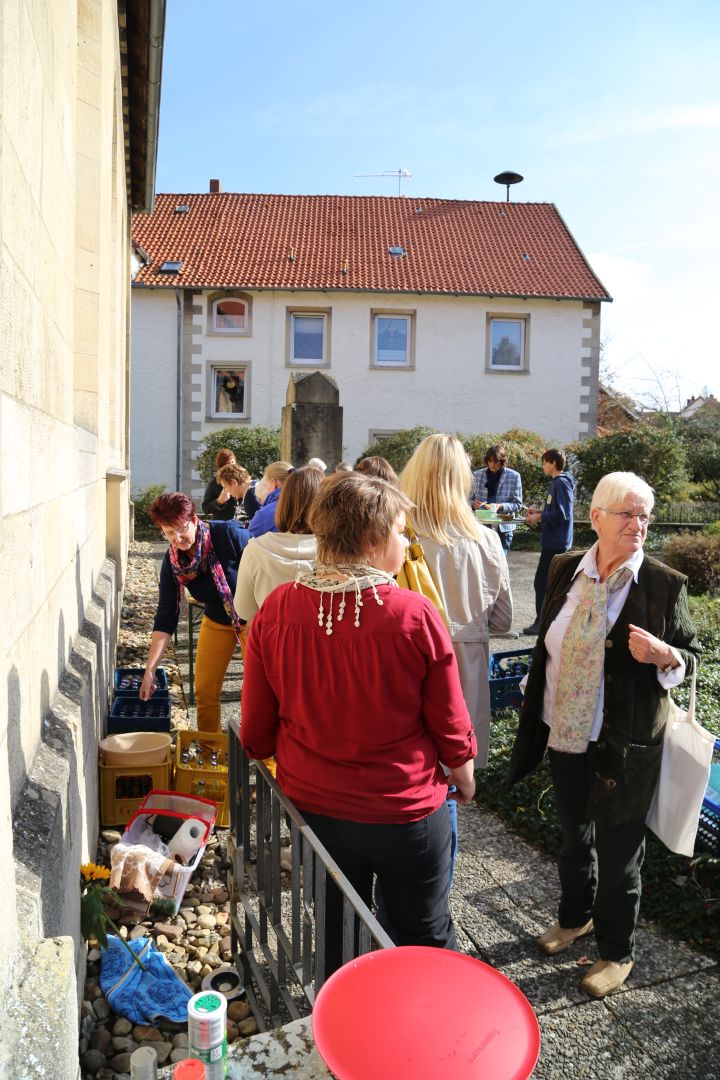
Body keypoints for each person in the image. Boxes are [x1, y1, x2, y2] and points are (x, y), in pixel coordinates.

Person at [240, 472, 477, 978]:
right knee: (423, 936)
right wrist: (464, 776)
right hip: (404, 813)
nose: (405, 541)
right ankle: (426, 1040)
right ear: (371, 540)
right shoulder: (413, 615)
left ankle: (344, 1043)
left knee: (336, 937)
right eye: (399, 530)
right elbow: (451, 725)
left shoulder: (276, 609)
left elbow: (256, 736)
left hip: (316, 813)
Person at [507, 472, 700, 998]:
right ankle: (574, 918)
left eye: (645, 515)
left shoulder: (663, 584)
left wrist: (666, 656)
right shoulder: (565, 568)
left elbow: (694, 656)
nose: (638, 524)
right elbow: (551, 639)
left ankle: (617, 952)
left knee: (620, 854)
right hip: (564, 729)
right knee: (574, 838)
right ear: (596, 518)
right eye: (628, 514)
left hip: (625, 743)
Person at [401, 435, 513, 767]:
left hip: (407, 670)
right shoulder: (488, 540)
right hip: (465, 674)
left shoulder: (397, 535)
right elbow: (503, 621)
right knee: (453, 779)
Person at [140, 492, 249, 732]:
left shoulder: (228, 534)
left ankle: (267, 759)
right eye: (169, 533)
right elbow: (166, 615)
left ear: (195, 519)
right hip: (217, 620)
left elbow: (263, 568)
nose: (177, 538)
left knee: (259, 692)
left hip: (253, 620)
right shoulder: (173, 562)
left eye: (182, 529)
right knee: (204, 690)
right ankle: (211, 754)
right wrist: (150, 669)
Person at [234, 465, 321, 627]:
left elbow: (244, 610)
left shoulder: (255, 549)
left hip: (272, 641)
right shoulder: (338, 552)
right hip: (323, 645)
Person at [523, 449, 576, 635]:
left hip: (556, 543)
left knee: (543, 583)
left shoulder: (561, 483)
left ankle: (542, 623)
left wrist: (540, 517)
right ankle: (544, 621)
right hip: (554, 542)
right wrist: (539, 512)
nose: (543, 466)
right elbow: (557, 510)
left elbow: (564, 514)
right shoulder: (558, 483)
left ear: (553, 463)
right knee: (545, 583)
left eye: (545, 462)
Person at [470, 444, 523, 552]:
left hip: (504, 527)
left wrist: (501, 506)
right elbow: (466, 499)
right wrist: (472, 504)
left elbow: (518, 504)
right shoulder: (477, 475)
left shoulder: (514, 476)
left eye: (496, 461)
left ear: (502, 461)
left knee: (500, 565)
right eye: (490, 461)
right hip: (481, 527)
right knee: (482, 565)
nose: (492, 464)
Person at [247, 461, 294, 539]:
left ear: (273, 483)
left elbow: (246, 542)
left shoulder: (266, 513)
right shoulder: (307, 506)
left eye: (266, 482)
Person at [202, 448, 239, 520]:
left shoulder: (241, 478)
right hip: (222, 525)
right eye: (228, 463)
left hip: (240, 524)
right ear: (222, 466)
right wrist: (219, 501)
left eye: (233, 462)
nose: (232, 466)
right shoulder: (215, 482)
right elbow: (205, 508)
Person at [216, 462, 253, 527]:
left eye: (225, 487)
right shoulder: (244, 494)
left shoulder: (252, 495)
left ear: (234, 482)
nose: (225, 491)